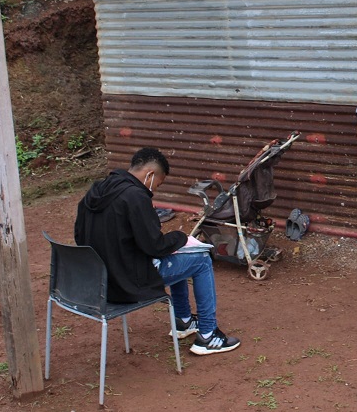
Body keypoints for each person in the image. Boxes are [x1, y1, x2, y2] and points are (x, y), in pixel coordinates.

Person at [74, 147, 240, 355]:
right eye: (158, 184)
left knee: (177, 254)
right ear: (150, 175)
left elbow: (79, 235)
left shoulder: (97, 190)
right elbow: (155, 246)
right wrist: (180, 237)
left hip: (100, 282)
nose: (154, 191)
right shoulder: (135, 197)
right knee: (202, 259)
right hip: (126, 284)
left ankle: (183, 321)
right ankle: (208, 335)